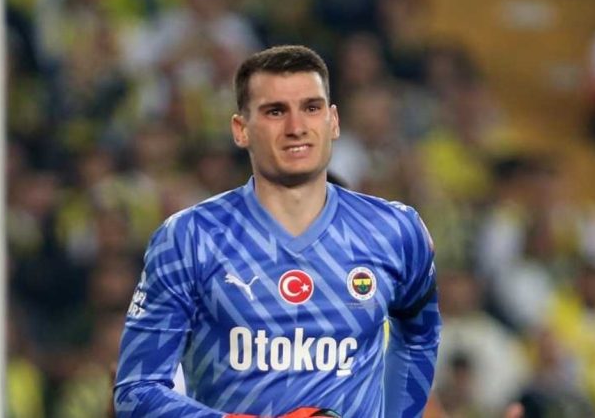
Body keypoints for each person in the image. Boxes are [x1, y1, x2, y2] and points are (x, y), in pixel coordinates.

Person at [113, 45, 441, 417]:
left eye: (311, 108)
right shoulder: (189, 238)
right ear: (241, 130)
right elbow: (135, 391)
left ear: (333, 121)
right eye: (275, 111)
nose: (296, 127)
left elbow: (419, 338)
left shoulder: (395, 231)